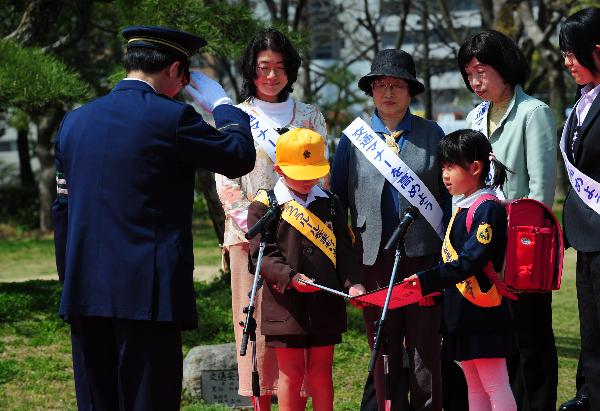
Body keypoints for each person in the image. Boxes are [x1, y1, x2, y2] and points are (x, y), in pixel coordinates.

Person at [52, 26, 256, 411]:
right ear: (177, 70)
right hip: (148, 295)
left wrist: (71, 283)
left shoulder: (73, 122)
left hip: (84, 293)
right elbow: (238, 154)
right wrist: (224, 105)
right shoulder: (173, 117)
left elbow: (62, 211)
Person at [206, 27, 328, 410]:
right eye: (263, 67)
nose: (271, 75)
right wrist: (259, 230)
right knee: (256, 330)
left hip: (305, 239)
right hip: (249, 240)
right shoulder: (234, 118)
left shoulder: (310, 116)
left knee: (300, 326)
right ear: (250, 70)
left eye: (279, 67)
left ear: (290, 70)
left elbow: (323, 177)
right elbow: (227, 182)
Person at [331, 49, 451, 411]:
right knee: (382, 346)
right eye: (381, 85)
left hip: (423, 257)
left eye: (397, 85)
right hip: (373, 258)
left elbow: (447, 198)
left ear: (410, 90)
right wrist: (348, 267)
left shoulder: (433, 134)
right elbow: (338, 201)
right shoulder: (354, 138)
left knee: (425, 347)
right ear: (371, 90)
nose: (388, 92)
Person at [458, 30, 558, 411]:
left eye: (481, 71)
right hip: (483, 247)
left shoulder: (533, 112)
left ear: (504, 67)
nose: (475, 82)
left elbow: (541, 191)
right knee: (499, 341)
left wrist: (521, 243)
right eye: (469, 74)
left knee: (531, 339)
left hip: (523, 248)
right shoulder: (473, 116)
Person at [247, 128, 365, 411]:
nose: (306, 180)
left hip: (325, 301)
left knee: (322, 372)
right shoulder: (265, 206)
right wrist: (290, 277)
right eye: (298, 173)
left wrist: (353, 283)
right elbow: (261, 256)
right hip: (285, 303)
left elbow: (345, 253)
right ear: (278, 169)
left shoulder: (331, 204)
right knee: (291, 374)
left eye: (312, 172)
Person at [408, 129, 517, 410]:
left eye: (451, 166)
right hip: (461, 312)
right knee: (475, 384)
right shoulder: (463, 207)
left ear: (476, 167)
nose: (444, 175)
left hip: (484, 312)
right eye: (443, 167)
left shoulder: (487, 208)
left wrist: (427, 280)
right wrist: (435, 291)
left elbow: (470, 261)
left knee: (495, 383)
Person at [558, 7, 600, 410]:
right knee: (590, 324)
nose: (567, 62)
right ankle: (589, 392)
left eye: (573, 53)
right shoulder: (582, 99)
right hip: (585, 233)